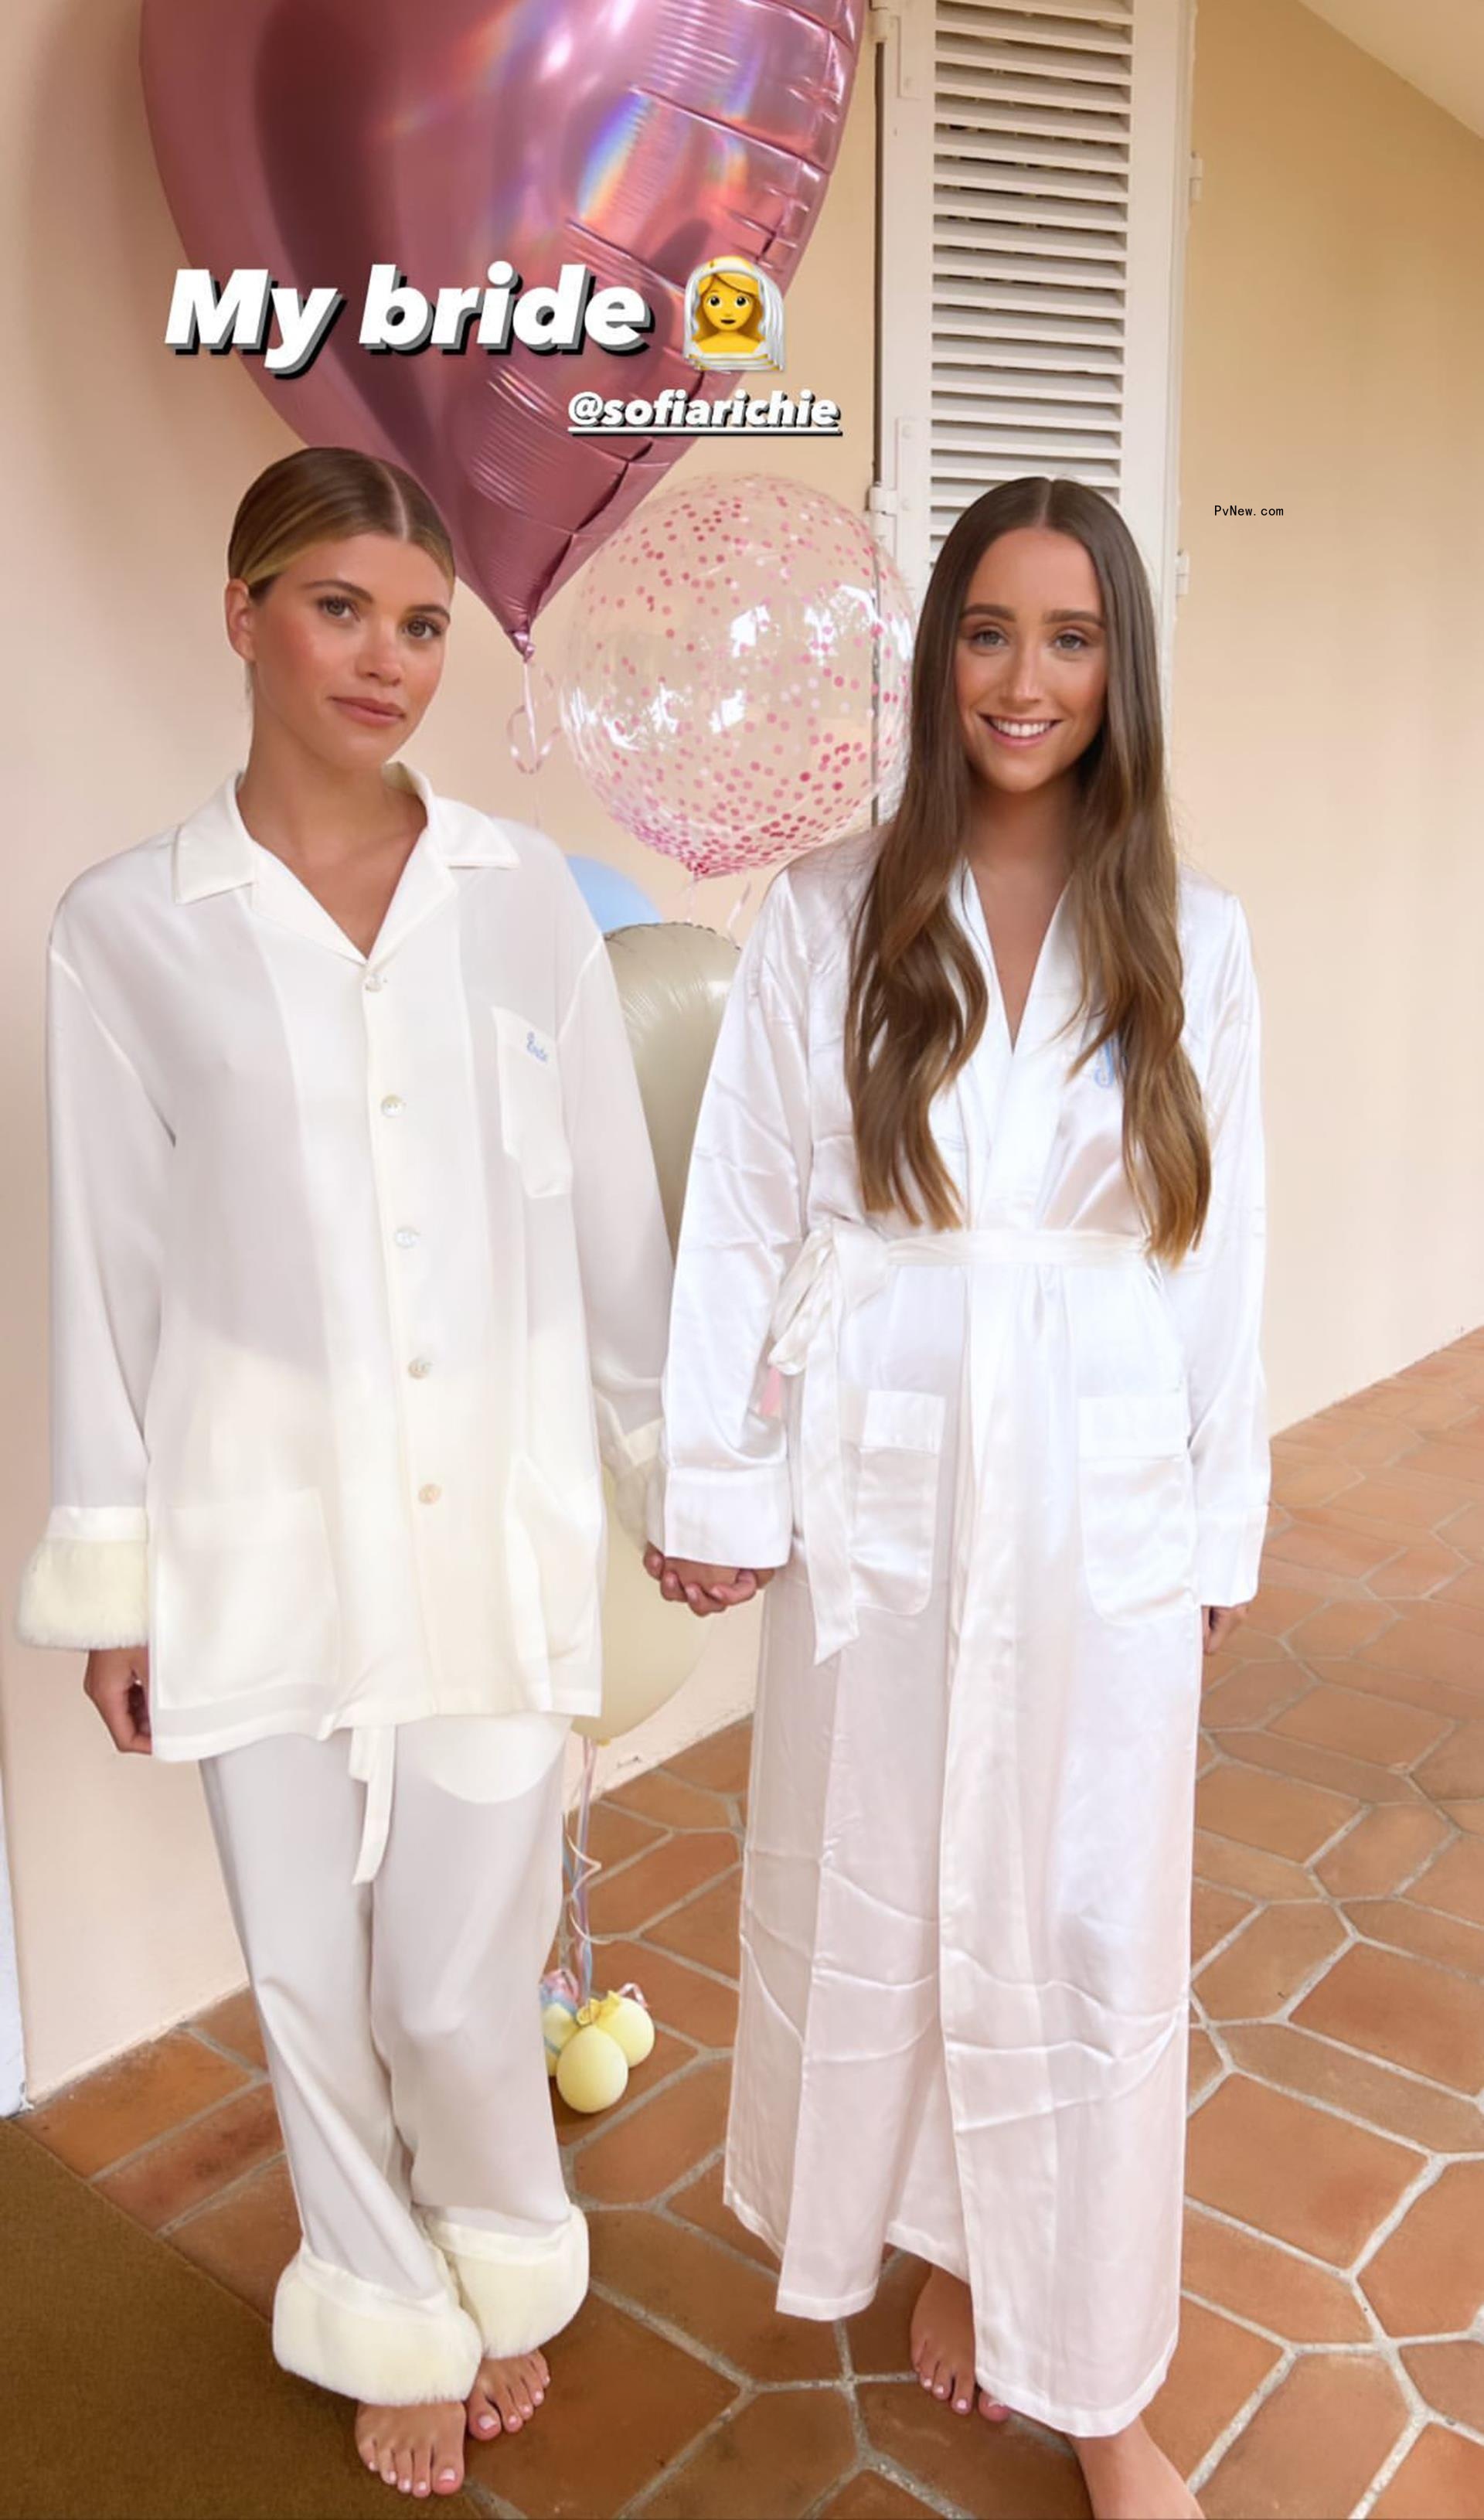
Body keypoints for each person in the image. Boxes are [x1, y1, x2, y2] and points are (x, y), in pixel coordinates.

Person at [19, 445, 672, 2501]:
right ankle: (381, 2292)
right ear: (242, 614)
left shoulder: (521, 902)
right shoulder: (129, 929)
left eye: (421, 624)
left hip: (488, 1521)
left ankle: (500, 2238)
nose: (386, 660)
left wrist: (671, 1463)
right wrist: (118, 1580)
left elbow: (611, 1214)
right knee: (309, 1968)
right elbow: (107, 1266)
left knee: (462, 1981)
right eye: (337, 608)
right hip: (258, 1526)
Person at [644, 475, 1268, 2520]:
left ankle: (1101, 2383)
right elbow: (746, 1208)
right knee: (893, 1860)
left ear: (1121, 670)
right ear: (937, 660)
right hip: (886, 1451)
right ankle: (942, 2239)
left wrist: (1215, 1507)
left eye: (1070, 638)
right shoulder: (830, 909)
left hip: (1097, 1470)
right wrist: (720, 1475)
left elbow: (1220, 1249)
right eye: (989, 632)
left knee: (1080, 1907)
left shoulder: (1193, 935)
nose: (1025, 678)